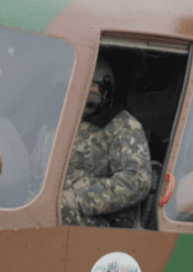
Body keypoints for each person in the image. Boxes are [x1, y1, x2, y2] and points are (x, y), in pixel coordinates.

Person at [59, 58, 151, 227]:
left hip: (100, 221)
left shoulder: (121, 125)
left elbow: (137, 181)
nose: (84, 89)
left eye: (92, 84)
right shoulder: (57, 122)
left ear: (105, 90)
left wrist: (80, 199)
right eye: (78, 82)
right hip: (53, 207)